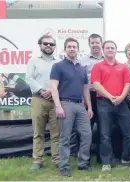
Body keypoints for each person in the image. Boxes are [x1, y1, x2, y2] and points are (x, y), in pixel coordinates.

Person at [50, 37, 94, 177]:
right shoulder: (58, 66)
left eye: (74, 47)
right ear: (65, 49)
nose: (72, 49)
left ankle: (83, 164)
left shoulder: (82, 68)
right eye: (69, 47)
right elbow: (53, 87)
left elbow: (85, 89)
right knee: (65, 137)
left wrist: (90, 107)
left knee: (87, 135)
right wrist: (58, 106)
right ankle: (64, 166)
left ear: (78, 49)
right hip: (65, 104)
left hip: (80, 106)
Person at [91, 40, 130, 171]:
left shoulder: (123, 67)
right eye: (108, 48)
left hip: (121, 103)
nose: (110, 50)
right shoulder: (97, 66)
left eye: (112, 48)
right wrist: (110, 96)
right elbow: (96, 84)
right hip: (104, 102)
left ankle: (126, 158)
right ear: (103, 50)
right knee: (104, 133)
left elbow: (128, 83)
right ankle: (106, 162)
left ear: (116, 50)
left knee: (129, 131)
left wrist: (121, 97)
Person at [26, 35, 61, 171]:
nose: (48, 46)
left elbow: (62, 81)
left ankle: (57, 159)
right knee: (38, 132)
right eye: (45, 43)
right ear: (40, 45)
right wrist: (41, 90)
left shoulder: (59, 62)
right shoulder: (33, 61)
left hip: (55, 101)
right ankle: (37, 161)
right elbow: (29, 78)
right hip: (38, 99)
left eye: (51, 44)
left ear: (54, 46)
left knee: (56, 133)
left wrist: (52, 92)